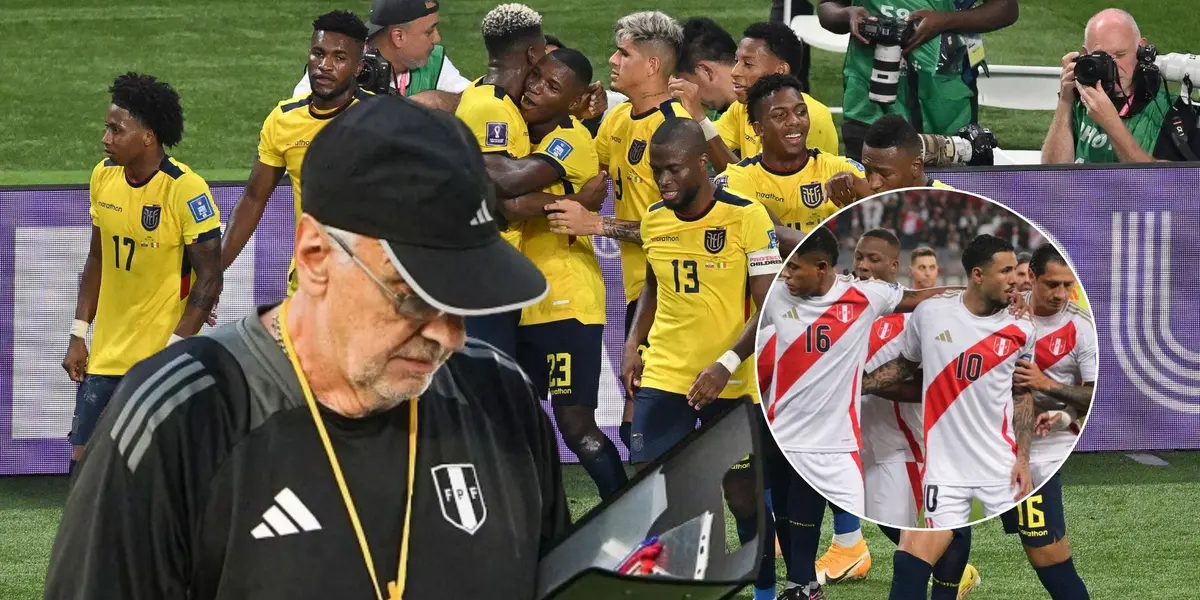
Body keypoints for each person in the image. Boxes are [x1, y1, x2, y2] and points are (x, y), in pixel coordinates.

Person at [45, 96, 569, 600]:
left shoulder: (502, 397)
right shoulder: (181, 417)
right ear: (315, 256)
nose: (447, 335)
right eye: (411, 299)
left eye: (463, 300)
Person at [758, 226, 966, 597]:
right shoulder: (847, 301)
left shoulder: (911, 316)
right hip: (846, 441)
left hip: (893, 451)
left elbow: (929, 385)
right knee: (799, 496)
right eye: (860, 257)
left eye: (874, 259)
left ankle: (953, 572)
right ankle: (827, 563)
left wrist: (864, 385)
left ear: (893, 266)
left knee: (909, 550)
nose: (864, 265)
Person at [623, 118, 782, 600]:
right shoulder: (654, 217)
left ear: (701, 163)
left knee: (742, 497)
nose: (663, 180)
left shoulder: (747, 217)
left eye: (672, 169)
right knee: (655, 485)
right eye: (656, 171)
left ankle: (765, 592)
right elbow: (653, 284)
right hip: (666, 372)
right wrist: (634, 342)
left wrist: (726, 365)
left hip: (730, 382)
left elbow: (769, 304)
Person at [61, 72, 223, 471]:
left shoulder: (185, 189)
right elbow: (97, 257)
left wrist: (175, 350)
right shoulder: (104, 176)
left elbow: (210, 276)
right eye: (107, 128)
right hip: (105, 359)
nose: (106, 139)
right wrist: (78, 334)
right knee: (84, 468)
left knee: (158, 476)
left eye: (117, 130)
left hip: (160, 361)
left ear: (148, 136)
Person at [544, 10, 690, 453]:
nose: (612, 59)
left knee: (651, 418)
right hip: (637, 289)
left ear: (651, 65)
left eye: (623, 53)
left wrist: (596, 224)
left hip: (672, 291)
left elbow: (682, 230)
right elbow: (594, 175)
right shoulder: (620, 118)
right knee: (637, 418)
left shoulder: (675, 130)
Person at [863, 234, 1036, 598]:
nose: (1015, 279)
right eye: (1005, 271)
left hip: (1000, 464)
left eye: (1016, 272)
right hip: (943, 467)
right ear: (977, 274)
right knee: (911, 557)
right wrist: (856, 386)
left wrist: (1022, 459)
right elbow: (903, 366)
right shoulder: (931, 313)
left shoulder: (1023, 328)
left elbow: (1022, 396)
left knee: (1046, 550)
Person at [509, 48, 628, 500]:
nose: (537, 87)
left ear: (573, 101)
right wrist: (575, 200)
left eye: (553, 87)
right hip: (519, 302)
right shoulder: (515, 130)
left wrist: (576, 204)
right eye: (536, 76)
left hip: (565, 299)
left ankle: (630, 521)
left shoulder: (570, 138)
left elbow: (511, 201)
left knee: (576, 424)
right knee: (515, 423)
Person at [222, 11, 372, 293]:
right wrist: (214, 275)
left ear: (358, 67)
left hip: (368, 290)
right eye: (318, 54)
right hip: (306, 287)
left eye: (339, 58)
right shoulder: (283, 120)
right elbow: (253, 199)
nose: (324, 66)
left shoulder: (383, 118)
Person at [1002, 243, 1095, 600]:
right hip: (987, 442)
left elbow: (1090, 398)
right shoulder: (1007, 311)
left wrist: (1051, 391)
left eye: (1067, 285)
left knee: (1045, 553)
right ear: (1032, 278)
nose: (1060, 294)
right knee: (939, 535)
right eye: (1051, 284)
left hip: (1038, 454)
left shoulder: (1081, 329)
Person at [453, 3, 546, 356]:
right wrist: (562, 160)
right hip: (485, 278)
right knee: (490, 388)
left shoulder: (486, 94)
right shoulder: (492, 108)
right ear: (533, 53)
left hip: (492, 272)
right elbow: (502, 184)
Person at [817, 0, 1019, 161]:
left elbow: (1006, 8)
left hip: (945, 103)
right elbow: (827, 7)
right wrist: (847, 15)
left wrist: (946, 20)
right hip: (869, 98)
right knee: (873, 193)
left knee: (945, 199)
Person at [671, 22, 839, 173]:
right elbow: (697, 148)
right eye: (736, 61)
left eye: (748, 64)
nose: (735, 72)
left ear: (780, 70)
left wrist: (701, 119)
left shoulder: (810, 117)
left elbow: (749, 187)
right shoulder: (742, 107)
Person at [1041, 9, 1198, 164]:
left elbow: (1163, 184)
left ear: (1141, 49)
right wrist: (1065, 100)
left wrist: (1111, 123)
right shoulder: (1081, 101)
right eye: (1103, 57)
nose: (1113, 66)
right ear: (1085, 54)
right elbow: (1052, 178)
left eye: (1120, 55)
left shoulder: (1170, 112)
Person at [715, 74, 864, 233]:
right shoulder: (736, 181)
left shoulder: (840, 170)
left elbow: (888, 211)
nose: (794, 121)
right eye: (779, 115)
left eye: (801, 112)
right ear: (758, 129)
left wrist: (860, 189)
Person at [292, 0, 469, 103]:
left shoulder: (433, 59)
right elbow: (299, 117)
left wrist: (437, 101)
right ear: (398, 37)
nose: (437, 38)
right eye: (429, 32)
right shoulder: (343, 63)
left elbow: (479, 100)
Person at [825, 114, 954, 206]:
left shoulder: (947, 204)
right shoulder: (869, 193)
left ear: (916, 166)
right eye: (868, 170)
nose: (873, 184)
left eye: (885, 174)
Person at [676, 17, 740, 120]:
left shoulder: (765, 112)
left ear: (706, 71)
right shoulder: (723, 115)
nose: (686, 93)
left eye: (687, 83)